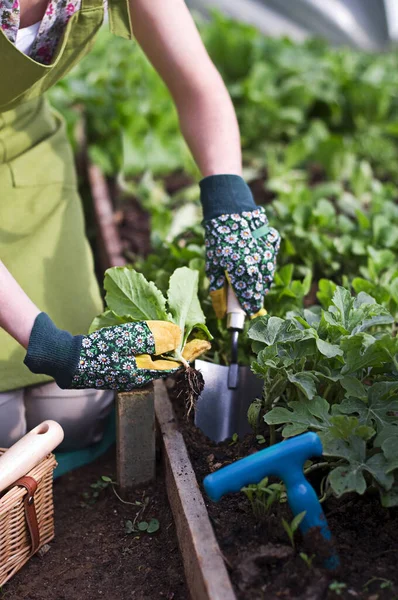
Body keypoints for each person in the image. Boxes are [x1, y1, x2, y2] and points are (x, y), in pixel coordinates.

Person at [0, 0, 280, 451]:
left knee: (74, 411)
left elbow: (197, 84)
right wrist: (52, 346)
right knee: (3, 426)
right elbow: (51, 347)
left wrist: (230, 201)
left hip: (25, 154)